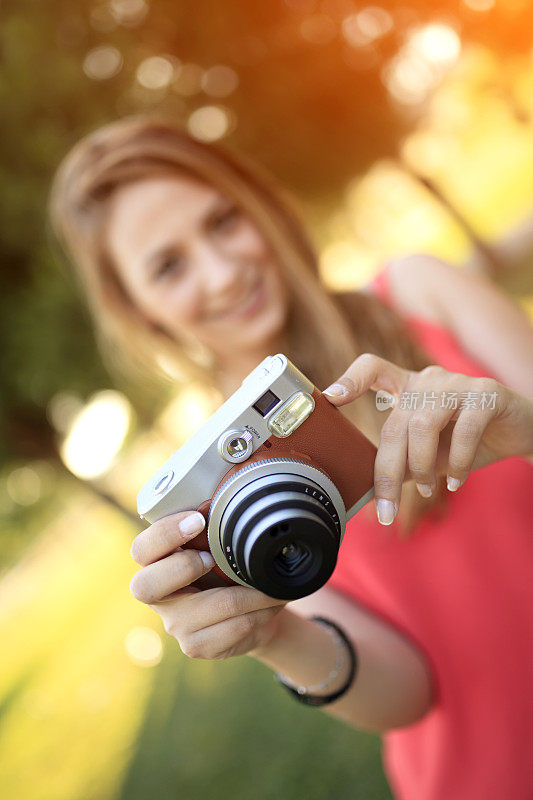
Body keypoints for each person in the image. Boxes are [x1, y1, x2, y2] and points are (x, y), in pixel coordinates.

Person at [48, 115, 533, 800]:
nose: (221, 274)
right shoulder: (219, 487)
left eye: (221, 221)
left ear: (259, 203)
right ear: (141, 310)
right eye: (169, 265)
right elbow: (407, 697)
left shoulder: (423, 295)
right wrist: (274, 633)